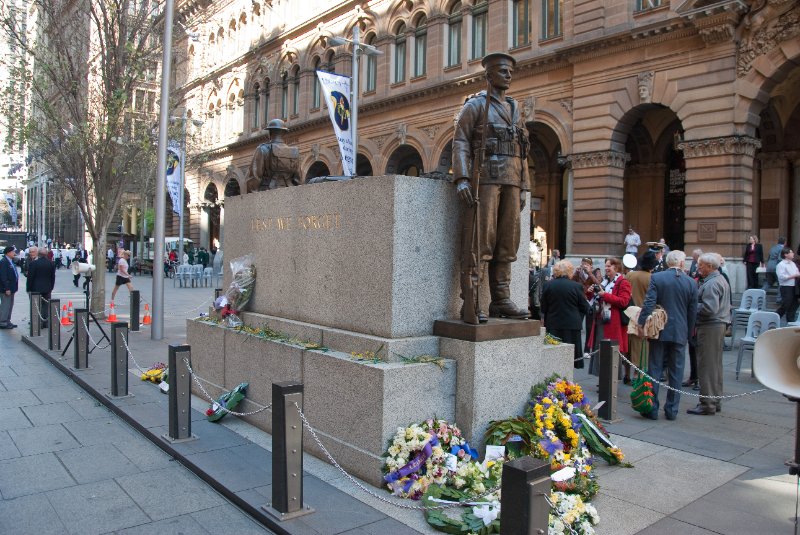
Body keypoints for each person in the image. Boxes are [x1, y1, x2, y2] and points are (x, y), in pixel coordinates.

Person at [452, 52, 531, 321]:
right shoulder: (475, 106)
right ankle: (471, 301)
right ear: (489, 75)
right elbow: (461, 141)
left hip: (512, 180)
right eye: (502, 70)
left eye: (510, 71)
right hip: (485, 180)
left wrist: (523, 186)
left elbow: (523, 149)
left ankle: (501, 298)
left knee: (508, 243)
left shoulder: (515, 107)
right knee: (480, 241)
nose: (509, 75)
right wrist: (462, 178)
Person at [637, 250, 698, 421]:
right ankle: (672, 410)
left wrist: (641, 323)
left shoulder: (657, 278)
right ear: (680, 263)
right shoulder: (691, 282)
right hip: (680, 330)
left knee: (654, 369)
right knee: (676, 372)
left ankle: (652, 408)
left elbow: (649, 303)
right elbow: (692, 311)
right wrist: (689, 332)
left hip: (660, 329)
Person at [687, 253, 731, 416]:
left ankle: (707, 403)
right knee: (714, 365)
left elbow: (709, 309)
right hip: (717, 325)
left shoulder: (712, 283)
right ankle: (714, 399)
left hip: (710, 326)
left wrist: (692, 306)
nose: (698, 268)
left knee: (706, 365)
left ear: (710, 267)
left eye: (701, 265)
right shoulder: (719, 280)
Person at [541, 260, 591, 369]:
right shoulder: (576, 286)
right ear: (570, 271)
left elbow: (544, 306)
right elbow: (584, 306)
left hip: (553, 324)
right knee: (571, 358)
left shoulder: (548, 285)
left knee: (554, 357)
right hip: (572, 325)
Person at [588, 257, 632, 375]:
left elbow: (624, 301)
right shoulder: (605, 282)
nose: (606, 268)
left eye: (608, 266)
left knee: (610, 351)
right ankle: (601, 379)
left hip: (613, 323)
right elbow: (596, 299)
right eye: (605, 266)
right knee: (599, 349)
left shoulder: (623, 282)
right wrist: (591, 292)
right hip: (601, 320)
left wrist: (605, 295)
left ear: (616, 268)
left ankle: (609, 382)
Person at [625, 252, 657, 384]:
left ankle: (626, 373)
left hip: (628, 314)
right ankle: (636, 375)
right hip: (644, 316)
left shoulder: (630, 275)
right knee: (642, 347)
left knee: (628, 346)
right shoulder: (652, 278)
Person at [247, 119, 302, 191]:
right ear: (284, 133)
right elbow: (298, 178)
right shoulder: (294, 152)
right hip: (289, 193)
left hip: (267, 192)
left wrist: (252, 198)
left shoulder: (262, 149)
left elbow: (254, 176)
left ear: (270, 133)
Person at [26, 247, 56, 327]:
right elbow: (52, 277)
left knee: (36, 306)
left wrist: (28, 288)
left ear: (38, 254)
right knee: (45, 306)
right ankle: (45, 322)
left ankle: (37, 323)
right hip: (47, 288)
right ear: (46, 254)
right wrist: (51, 287)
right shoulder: (51, 263)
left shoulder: (34, 264)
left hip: (35, 288)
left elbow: (30, 277)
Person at [775, 247, 800, 325]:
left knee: (794, 304)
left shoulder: (793, 263)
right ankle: (774, 317)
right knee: (786, 304)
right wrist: (793, 276)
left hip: (794, 286)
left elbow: (797, 272)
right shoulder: (781, 265)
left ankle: (790, 322)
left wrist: (797, 275)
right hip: (786, 287)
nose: (793, 254)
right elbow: (781, 277)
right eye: (791, 252)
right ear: (785, 254)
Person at [0, 246, 19, 329]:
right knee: (5, 305)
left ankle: (8, 320)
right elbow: (3, 276)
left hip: (12, 288)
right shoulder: (4, 262)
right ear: (8, 252)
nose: (14, 253)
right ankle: (3, 322)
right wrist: (6, 288)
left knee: (10, 305)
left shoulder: (10, 261)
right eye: (13, 252)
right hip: (6, 289)